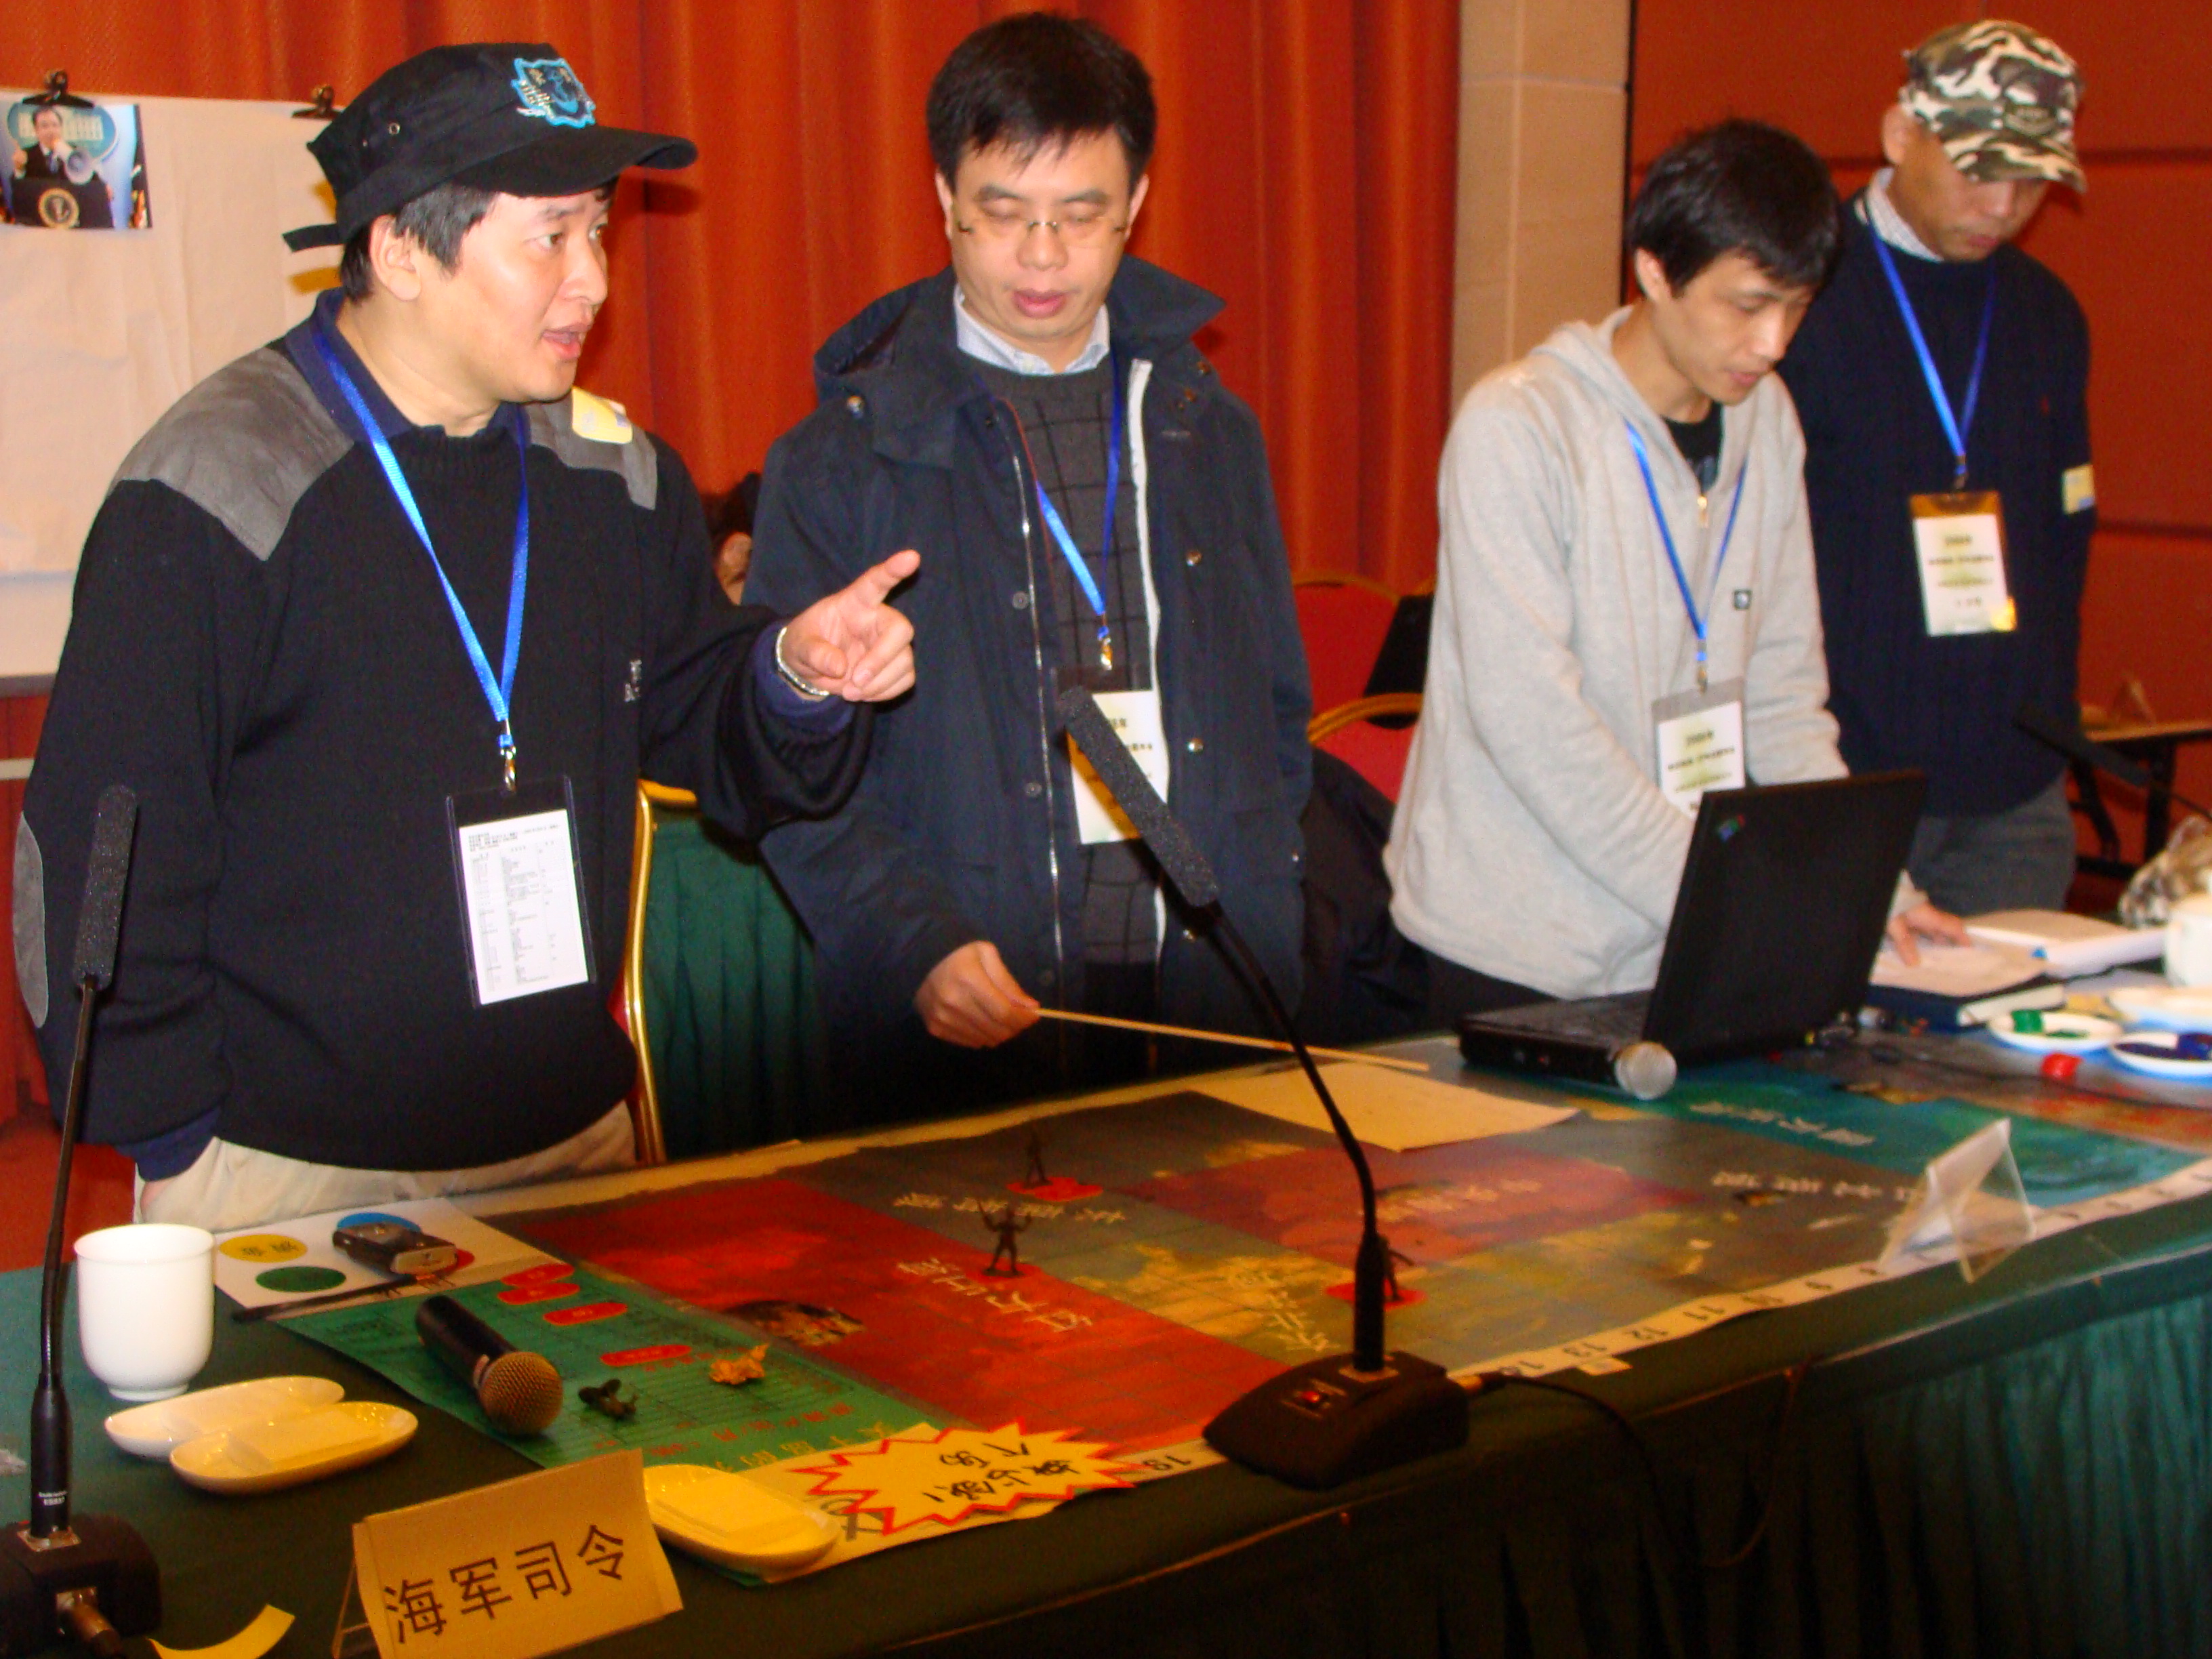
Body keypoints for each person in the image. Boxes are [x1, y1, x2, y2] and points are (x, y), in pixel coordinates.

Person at [14, 43, 918, 1232]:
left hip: (571, 1148)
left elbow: (703, 713)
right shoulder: (216, 486)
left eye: (598, 231)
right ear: (401, 251)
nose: (593, 281)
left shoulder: (617, 479)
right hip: (285, 1174)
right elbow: (105, 843)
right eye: (550, 238)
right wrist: (173, 1137)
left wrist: (796, 672)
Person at [747, 14, 1309, 1119]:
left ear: (1136, 203)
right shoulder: (843, 456)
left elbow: (1276, 723)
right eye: (1004, 214)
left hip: (1207, 1007)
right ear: (945, 198)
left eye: (1081, 216)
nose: (1043, 256)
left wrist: (1261, 914)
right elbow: (783, 773)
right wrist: (910, 943)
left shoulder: (1208, 431)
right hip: (967, 1011)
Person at [1387, 121, 1962, 1017]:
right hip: (1520, 942)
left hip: (1684, 933)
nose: (1773, 342)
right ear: (1655, 271)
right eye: (1747, 304)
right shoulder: (1521, 427)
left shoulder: (1768, 421)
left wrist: (1870, 890)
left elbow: (1783, 698)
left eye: (1797, 307)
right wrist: (1722, 897)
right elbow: (1534, 729)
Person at [1780, 22, 2091, 918]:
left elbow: (2065, 538)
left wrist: (2047, 725)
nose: (2004, 204)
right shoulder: (1796, 298)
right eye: (1978, 170)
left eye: (2030, 180)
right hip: (1842, 782)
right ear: (1899, 135)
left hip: (2014, 798)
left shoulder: (2046, 315)